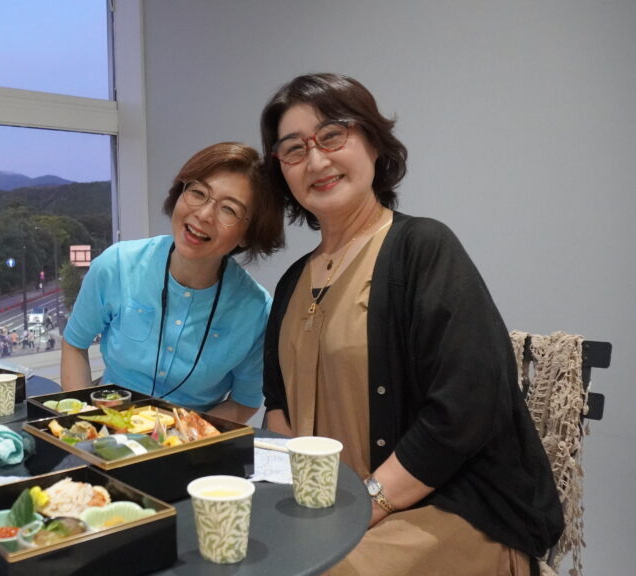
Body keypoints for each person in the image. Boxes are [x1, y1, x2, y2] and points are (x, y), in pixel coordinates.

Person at [258, 73, 562, 574]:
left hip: (448, 508)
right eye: (294, 149)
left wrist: (369, 504)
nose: (316, 160)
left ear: (373, 142)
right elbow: (278, 407)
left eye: (332, 135)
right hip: (336, 510)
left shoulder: (423, 248)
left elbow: (467, 405)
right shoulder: (293, 281)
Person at [61, 142, 285, 423]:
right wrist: (84, 423)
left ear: (247, 234)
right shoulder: (117, 265)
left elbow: (244, 402)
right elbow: (75, 343)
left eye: (229, 209)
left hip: (189, 441)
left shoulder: (256, 311)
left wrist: (183, 435)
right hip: (108, 425)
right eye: (198, 193)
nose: (203, 215)